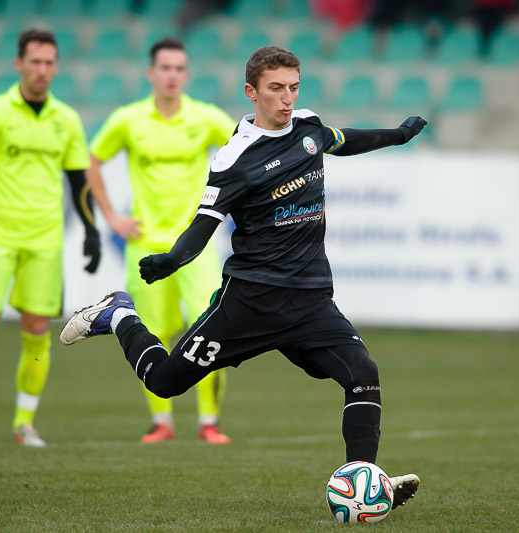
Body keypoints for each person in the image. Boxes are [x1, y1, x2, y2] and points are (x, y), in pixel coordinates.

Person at [60, 45, 425, 508]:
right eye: (276, 89)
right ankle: (118, 315)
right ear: (252, 92)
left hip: (310, 300)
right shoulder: (234, 158)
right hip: (249, 303)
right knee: (163, 383)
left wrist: (397, 135)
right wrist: (173, 260)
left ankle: (365, 481)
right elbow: (203, 225)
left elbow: (342, 140)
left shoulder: (308, 126)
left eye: (293, 87)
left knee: (363, 373)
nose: (287, 98)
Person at [0, 28, 98, 447]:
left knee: (36, 328)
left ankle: (24, 423)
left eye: (49, 62)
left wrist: (91, 231)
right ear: (19, 64)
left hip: (45, 240)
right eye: (35, 61)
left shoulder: (66, 119)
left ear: (56, 67)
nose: (42, 70)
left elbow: (79, 183)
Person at [86, 37, 236, 444]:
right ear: (151, 73)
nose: (172, 75)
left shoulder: (206, 117)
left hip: (195, 248)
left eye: (179, 68)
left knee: (212, 329)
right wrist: (112, 217)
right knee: (152, 332)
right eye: (165, 68)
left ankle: (209, 421)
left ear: (187, 75)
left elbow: (247, 149)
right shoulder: (128, 120)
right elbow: (92, 161)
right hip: (146, 246)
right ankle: (162, 422)